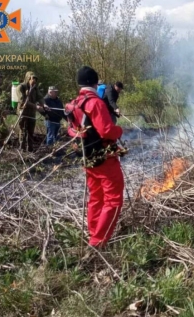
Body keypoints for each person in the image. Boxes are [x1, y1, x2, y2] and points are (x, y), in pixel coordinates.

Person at [67, 66, 124, 249]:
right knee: (113, 198)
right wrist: (119, 130)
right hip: (103, 157)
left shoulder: (74, 103)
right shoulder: (95, 103)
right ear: (95, 82)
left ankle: (94, 233)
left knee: (96, 197)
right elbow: (107, 131)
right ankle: (98, 241)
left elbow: (71, 131)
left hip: (86, 157)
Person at [16, 71, 49, 152]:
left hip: (32, 113)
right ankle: (22, 150)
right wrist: (35, 106)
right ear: (28, 78)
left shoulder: (35, 88)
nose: (34, 80)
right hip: (23, 113)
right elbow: (22, 100)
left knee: (31, 132)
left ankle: (30, 150)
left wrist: (44, 104)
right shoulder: (20, 87)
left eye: (35, 79)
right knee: (23, 131)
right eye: (32, 78)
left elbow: (40, 97)